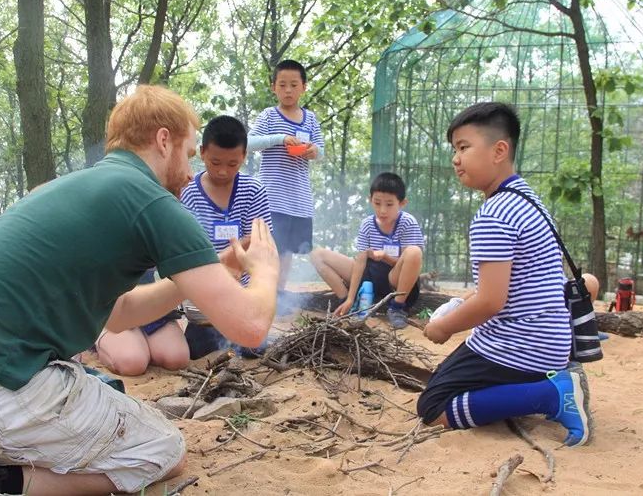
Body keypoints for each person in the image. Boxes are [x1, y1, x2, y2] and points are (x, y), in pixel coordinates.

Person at [0, 85, 279, 496]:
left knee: (102, 396)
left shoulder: (78, 186)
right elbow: (251, 327)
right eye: (187, 154)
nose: (188, 173)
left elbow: (119, 313)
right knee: (161, 451)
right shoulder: (151, 201)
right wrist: (266, 270)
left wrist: (219, 267)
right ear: (164, 140)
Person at [417, 102, 593, 447]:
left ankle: (553, 396)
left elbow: (491, 301)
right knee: (454, 380)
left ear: (500, 150)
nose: (456, 158)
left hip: (521, 343)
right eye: (454, 149)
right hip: (551, 340)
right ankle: (549, 383)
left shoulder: (493, 214)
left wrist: (442, 327)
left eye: (464, 147)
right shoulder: (527, 199)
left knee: (432, 406)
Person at [180, 115, 274, 358]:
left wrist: (233, 257)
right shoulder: (188, 192)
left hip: (242, 296)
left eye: (233, 164)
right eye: (215, 162)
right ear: (201, 153)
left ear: (244, 156)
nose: (223, 171)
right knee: (198, 349)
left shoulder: (253, 190)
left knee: (256, 348)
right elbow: (186, 247)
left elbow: (261, 241)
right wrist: (232, 254)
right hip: (204, 299)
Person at [248, 59, 324, 302]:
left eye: (294, 84)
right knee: (271, 247)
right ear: (273, 88)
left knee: (289, 250)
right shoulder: (269, 116)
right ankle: (263, 293)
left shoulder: (310, 119)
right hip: (272, 197)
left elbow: (320, 150)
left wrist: (314, 151)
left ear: (304, 87)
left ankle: (279, 295)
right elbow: (248, 143)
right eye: (282, 85)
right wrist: (281, 138)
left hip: (299, 198)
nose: (288, 90)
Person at [310, 172, 424, 329]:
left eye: (389, 204)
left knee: (414, 252)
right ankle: (348, 303)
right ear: (370, 200)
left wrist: (384, 256)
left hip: (394, 279)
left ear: (402, 203)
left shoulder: (407, 222)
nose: (382, 210)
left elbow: (410, 263)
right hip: (369, 276)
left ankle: (397, 308)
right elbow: (360, 261)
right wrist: (350, 298)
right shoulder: (367, 224)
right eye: (377, 203)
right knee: (317, 255)